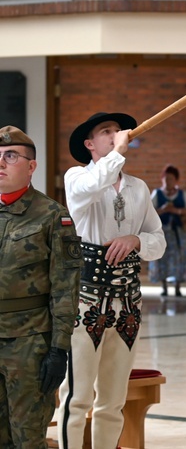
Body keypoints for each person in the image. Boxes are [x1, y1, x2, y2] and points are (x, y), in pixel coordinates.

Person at [58, 113, 166, 449]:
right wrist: (117, 152)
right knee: (77, 396)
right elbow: (93, 187)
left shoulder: (138, 187)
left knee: (113, 399)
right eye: (106, 132)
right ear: (90, 144)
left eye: (117, 132)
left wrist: (135, 240)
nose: (115, 135)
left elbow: (158, 241)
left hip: (128, 301)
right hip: (86, 299)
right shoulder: (77, 177)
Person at [0, 126, 81, 448]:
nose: (1, 164)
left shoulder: (52, 217)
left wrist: (59, 349)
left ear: (31, 166)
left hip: (29, 344)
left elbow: (65, 288)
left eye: (10, 156)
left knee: (27, 438)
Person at [149, 164, 186, 296]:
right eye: (166, 179)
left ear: (176, 180)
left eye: (171, 179)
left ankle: (177, 287)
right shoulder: (157, 193)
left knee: (179, 257)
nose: (168, 181)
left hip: (178, 232)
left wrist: (175, 210)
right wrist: (163, 210)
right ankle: (163, 286)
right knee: (161, 257)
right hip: (162, 231)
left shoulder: (182, 194)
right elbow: (149, 211)